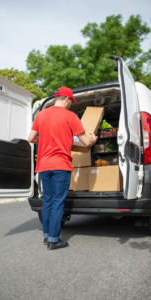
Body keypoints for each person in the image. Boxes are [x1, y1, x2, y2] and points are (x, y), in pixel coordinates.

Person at [28, 87, 97, 250]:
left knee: (48, 201)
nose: (71, 105)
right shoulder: (71, 116)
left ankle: (46, 236)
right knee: (58, 203)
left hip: (44, 165)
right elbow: (85, 142)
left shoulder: (41, 114)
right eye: (71, 102)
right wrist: (93, 139)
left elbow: (31, 138)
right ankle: (54, 240)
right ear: (67, 99)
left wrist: (45, 140)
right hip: (60, 165)